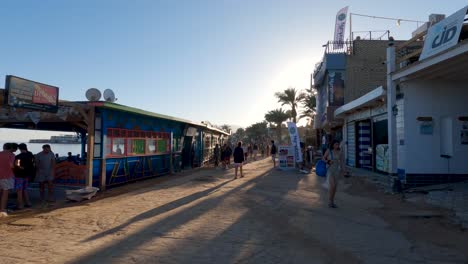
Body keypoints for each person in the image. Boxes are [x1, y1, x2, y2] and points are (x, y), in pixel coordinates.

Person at [322, 140, 345, 208]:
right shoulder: (329, 150)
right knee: (332, 185)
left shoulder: (340, 152)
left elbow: (342, 162)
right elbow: (323, 158)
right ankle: (330, 201)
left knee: (334, 188)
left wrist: (344, 171)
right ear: (332, 145)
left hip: (337, 171)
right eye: (335, 144)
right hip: (330, 170)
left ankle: (331, 201)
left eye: (337, 144)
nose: (337, 146)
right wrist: (328, 161)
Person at [14, 143, 34, 209]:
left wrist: (21, 168)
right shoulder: (30, 154)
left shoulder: (19, 156)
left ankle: (20, 205)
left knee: (19, 190)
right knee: (25, 189)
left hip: (19, 175)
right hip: (27, 175)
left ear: (19, 149)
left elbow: (17, 165)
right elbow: (33, 163)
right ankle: (28, 203)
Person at [0, 143, 15, 217]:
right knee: (5, 193)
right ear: (10, 148)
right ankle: (2, 210)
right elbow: (11, 165)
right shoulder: (11, 155)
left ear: (3, 147)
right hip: (7, 176)